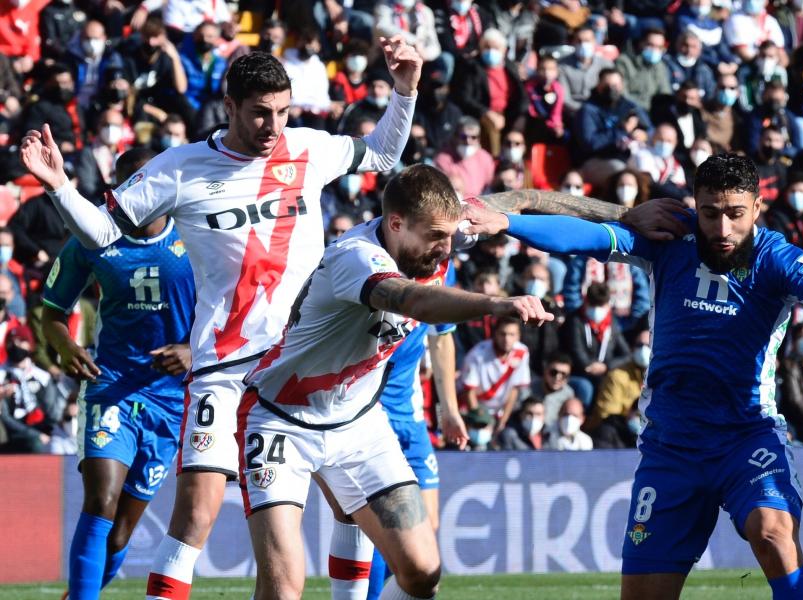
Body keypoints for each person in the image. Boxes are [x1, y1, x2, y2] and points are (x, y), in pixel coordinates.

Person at [19, 41, 423, 600]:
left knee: (346, 503)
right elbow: (102, 233)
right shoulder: (180, 168)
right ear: (229, 106)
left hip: (304, 360)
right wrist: (61, 187)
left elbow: (380, 154)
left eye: (283, 111)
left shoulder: (308, 148)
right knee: (194, 517)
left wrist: (405, 90)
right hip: (225, 370)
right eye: (260, 112)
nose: (273, 126)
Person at [464, 154, 803, 598]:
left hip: (746, 437)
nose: (722, 229)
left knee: (773, 534)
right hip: (671, 447)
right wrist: (506, 222)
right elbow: (589, 238)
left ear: (757, 208)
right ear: (695, 205)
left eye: (736, 214)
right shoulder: (669, 238)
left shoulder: (775, 258)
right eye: (711, 213)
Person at [237, 165, 551, 599]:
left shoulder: (440, 231)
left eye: (450, 235)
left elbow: (525, 200)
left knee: (422, 573)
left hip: (357, 422)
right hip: (280, 419)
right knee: (283, 588)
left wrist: (623, 218)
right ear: (396, 223)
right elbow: (414, 301)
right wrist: (495, 304)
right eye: (436, 236)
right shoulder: (355, 257)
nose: (446, 248)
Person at [45, 149, 195, 600]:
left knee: (120, 535)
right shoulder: (91, 239)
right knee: (101, 501)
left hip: (171, 399)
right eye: (129, 185)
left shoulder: (196, 236)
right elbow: (53, 311)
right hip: (110, 384)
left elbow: (232, 315)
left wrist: (192, 351)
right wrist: (65, 345)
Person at [362, 257, 468, 600]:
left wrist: (449, 410)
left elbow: (442, 337)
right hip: (371, 417)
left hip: (412, 419)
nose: (444, 243)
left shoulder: (442, 267)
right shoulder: (371, 261)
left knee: (425, 530)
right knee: (386, 530)